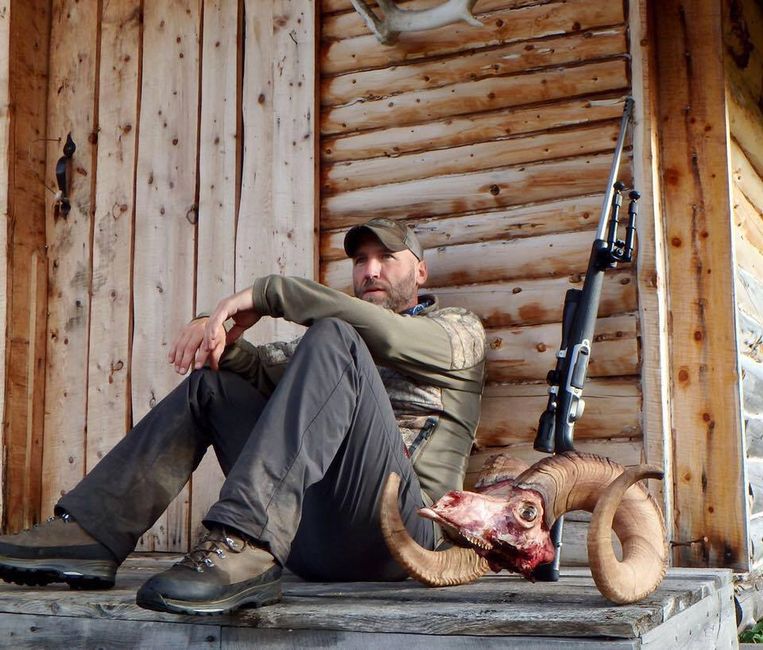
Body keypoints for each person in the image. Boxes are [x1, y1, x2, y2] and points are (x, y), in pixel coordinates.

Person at [0, 218, 486, 616]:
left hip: (402, 537)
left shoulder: (458, 332)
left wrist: (270, 294)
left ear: (420, 273)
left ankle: (242, 538)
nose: (370, 270)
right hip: (308, 542)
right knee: (214, 384)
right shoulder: (325, 348)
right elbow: (256, 366)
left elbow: (392, 338)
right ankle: (91, 534)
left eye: (386, 258)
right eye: (360, 261)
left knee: (336, 335)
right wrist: (215, 332)